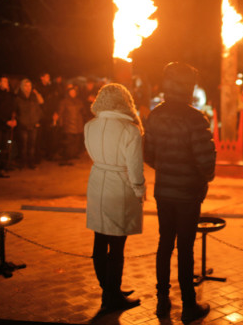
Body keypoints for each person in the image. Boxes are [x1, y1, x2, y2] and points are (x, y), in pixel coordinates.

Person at [143, 62, 215, 324]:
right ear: (188, 86)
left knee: (165, 243)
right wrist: (202, 177)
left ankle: (162, 300)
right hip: (188, 193)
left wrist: (164, 168)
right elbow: (206, 161)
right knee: (185, 247)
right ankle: (188, 304)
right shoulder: (195, 118)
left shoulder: (156, 115)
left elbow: (148, 153)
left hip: (164, 190)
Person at [84, 83, 145, 312]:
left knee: (99, 242)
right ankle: (112, 295)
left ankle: (109, 289)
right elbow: (135, 169)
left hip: (97, 180)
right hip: (119, 186)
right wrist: (140, 191)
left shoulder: (90, 126)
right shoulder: (129, 130)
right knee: (117, 246)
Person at [14, 79, 43, 169]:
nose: (28, 88)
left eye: (30, 86)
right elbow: (15, 112)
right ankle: (22, 163)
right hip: (23, 125)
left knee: (32, 145)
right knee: (23, 146)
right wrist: (20, 121)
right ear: (22, 87)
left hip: (33, 124)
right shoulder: (17, 98)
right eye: (26, 86)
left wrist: (37, 120)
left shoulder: (34, 97)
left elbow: (40, 106)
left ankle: (31, 162)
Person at [57, 84, 85, 165]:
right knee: (69, 143)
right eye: (71, 92)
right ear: (68, 92)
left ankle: (73, 155)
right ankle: (67, 158)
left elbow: (83, 112)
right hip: (68, 125)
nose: (73, 93)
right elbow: (60, 113)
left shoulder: (79, 101)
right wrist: (61, 124)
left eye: (74, 92)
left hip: (78, 124)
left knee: (76, 142)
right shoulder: (64, 102)